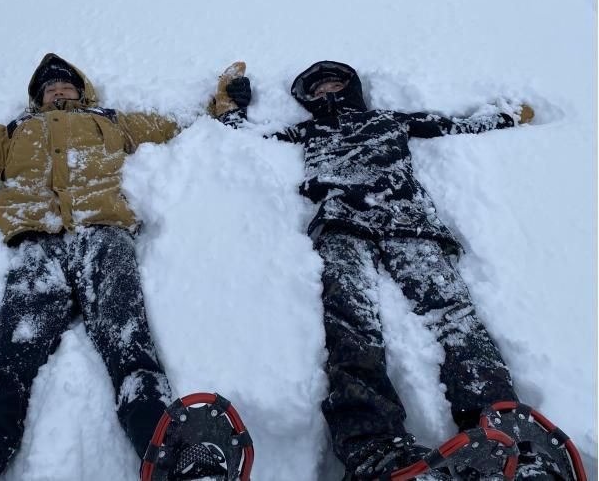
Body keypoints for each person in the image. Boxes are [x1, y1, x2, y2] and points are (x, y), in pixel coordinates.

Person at [0, 54, 249, 481]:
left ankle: (179, 463)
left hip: (104, 237)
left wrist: (226, 105)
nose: (58, 91)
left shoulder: (113, 123)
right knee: (11, 366)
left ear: (81, 91)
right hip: (36, 247)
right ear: (37, 98)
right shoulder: (11, 134)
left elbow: (178, 125)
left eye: (65, 85)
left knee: (131, 351)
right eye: (49, 88)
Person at [229, 60, 546, 480]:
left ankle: (504, 438)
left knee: (454, 316)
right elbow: (245, 138)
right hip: (342, 227)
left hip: (407, 221)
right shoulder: (308, 131)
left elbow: (450, 125)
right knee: (350, 326)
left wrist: (504, 117)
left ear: (352, 87)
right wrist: (234, 109)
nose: (327, 92)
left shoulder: (387, 120)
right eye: (318, 88)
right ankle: (373, 447)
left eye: (334, 83)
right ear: (307, 99)